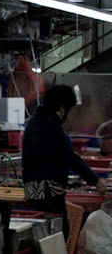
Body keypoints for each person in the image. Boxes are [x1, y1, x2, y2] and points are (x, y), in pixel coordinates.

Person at [22, 84, 106, 221]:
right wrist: (95, 181)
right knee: (57, 232)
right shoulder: (51, 126)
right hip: (48, 189)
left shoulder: (34, 122)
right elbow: (70, 158)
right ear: (62, 109)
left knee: (46, 231)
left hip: (32, 188)